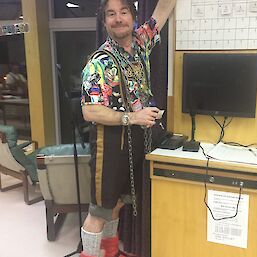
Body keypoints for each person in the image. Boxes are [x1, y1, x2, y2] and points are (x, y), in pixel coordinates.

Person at [80, 0, 176, 256]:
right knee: (99, 210)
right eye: (111, 14)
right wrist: (133, 117)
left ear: (133, 17)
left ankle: (109, 252)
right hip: (108, 144)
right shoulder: (99, 62)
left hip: (133, 141)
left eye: (123, 12)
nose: (118, 18)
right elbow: (89, 110)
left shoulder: (140, 42)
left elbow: (164, 10)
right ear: (104, 22)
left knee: (117, 204)